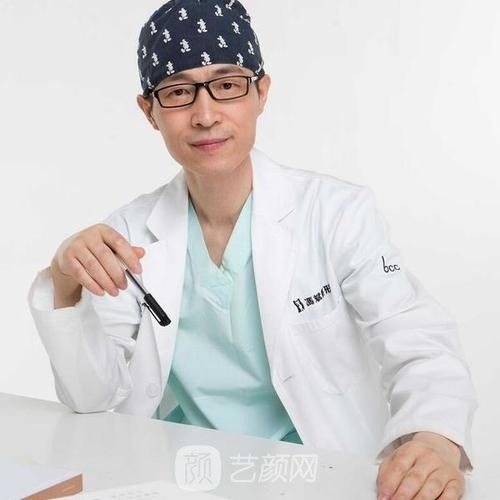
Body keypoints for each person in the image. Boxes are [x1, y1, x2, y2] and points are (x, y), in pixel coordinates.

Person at [28, 1, 477, 499]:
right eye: (177, 92)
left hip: (315, 476)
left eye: (227, 85)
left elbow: (417, 341)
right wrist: (64, 282)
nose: (205, 115)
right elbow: (91, 397)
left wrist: (434, 439)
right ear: (149, 111)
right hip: (181, 477)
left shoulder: (336, 214)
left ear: (261, 92)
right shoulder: (129, 234)